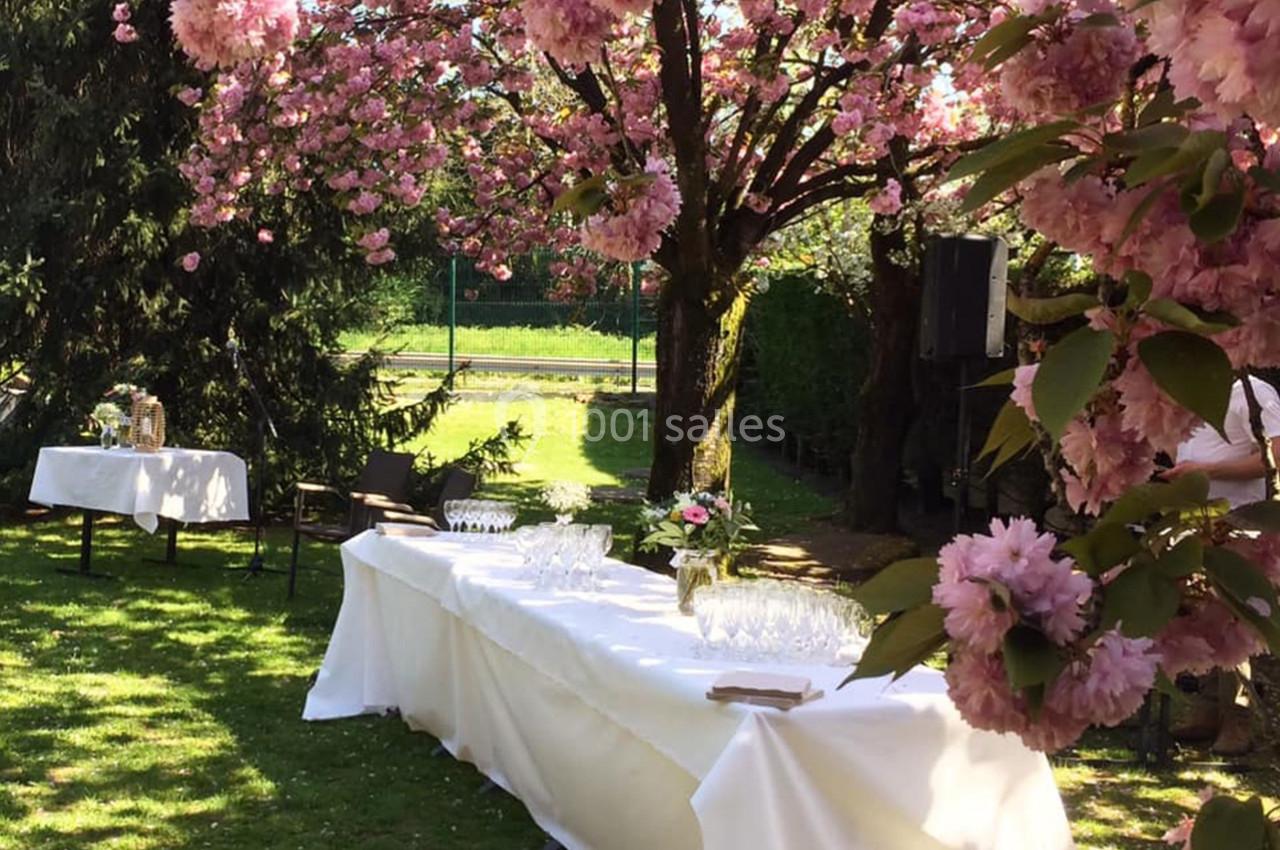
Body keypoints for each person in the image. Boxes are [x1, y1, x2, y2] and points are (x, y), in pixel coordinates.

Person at [1160, 375, 1280, 754]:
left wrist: (1208, 472)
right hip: (1195, 520)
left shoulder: (1253, 392)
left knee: (1236, 619)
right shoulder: (1190, 390)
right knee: (1201, 615)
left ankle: (1238, 720)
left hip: (1242, 521)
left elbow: (1275, 454)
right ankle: (1208, 710)